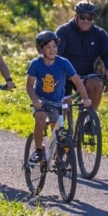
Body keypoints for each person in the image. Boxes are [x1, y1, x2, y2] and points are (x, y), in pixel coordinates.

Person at [26, 30, 91, 164]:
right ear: (40, 49)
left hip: (57, 101)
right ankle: (38, 151)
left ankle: (56, 157)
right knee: (41, 119)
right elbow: (29, 85)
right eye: (48, 47)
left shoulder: (63, 63)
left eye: (54, 46)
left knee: (57, 132)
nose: (52, 49)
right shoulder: (36, 64)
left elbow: (77, 81)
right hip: (41, 100)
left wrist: (85, 98)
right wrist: (35, 99)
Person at [55, 0, 108, 111]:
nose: (86, 21)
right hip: (65, 74)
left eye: (90, 18)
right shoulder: (64, 31)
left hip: (86, 73)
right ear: (76, 16)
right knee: (64, 109)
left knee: (97, 84)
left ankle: (88, 118)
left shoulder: (99, 34)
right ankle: (59, 126)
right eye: (82, 17)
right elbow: (55, 54)